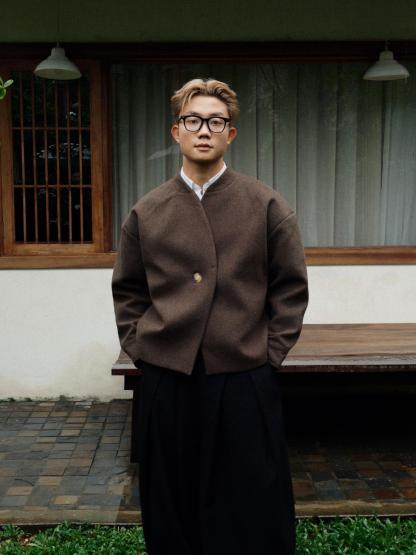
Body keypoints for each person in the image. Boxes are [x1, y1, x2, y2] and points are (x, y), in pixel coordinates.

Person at [111, 77, 309, 555]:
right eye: (193, 120)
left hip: (243, 375)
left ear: (230, 134)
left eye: (216, 121)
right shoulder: (148, 211)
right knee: (171, 500)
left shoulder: (265, 205)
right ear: (176, 131)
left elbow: (290, 288)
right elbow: (129, 290)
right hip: (167, 377)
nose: (204, 130)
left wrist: (269, 353)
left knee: (251, 498)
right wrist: (143, 349)